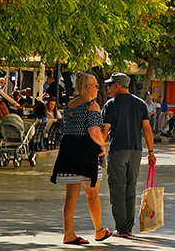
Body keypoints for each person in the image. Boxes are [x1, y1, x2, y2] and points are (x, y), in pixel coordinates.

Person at [50, 71, 111, 244]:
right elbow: (93, 131)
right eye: (96, 85)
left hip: (69, 150)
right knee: (92, 193)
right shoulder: (92, 106)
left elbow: (62, 129)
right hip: (87, 151)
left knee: (71, 195)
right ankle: (99, 231)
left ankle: (68, 234)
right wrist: (102, 147)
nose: (98, 89)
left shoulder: (69, 105)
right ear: (88, 87)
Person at [102, 72, 156, 240]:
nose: (109, 88)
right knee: (130, 187)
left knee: (117, 189)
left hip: (118, 151)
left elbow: (105, 130)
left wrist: (98, 150)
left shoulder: (111, 104)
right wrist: (151, 152)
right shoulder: (140, 104)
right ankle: (129, 227)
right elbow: (147, 129)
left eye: (110, 85)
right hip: (136, 151)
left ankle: (122, 228)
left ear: (117, 85)